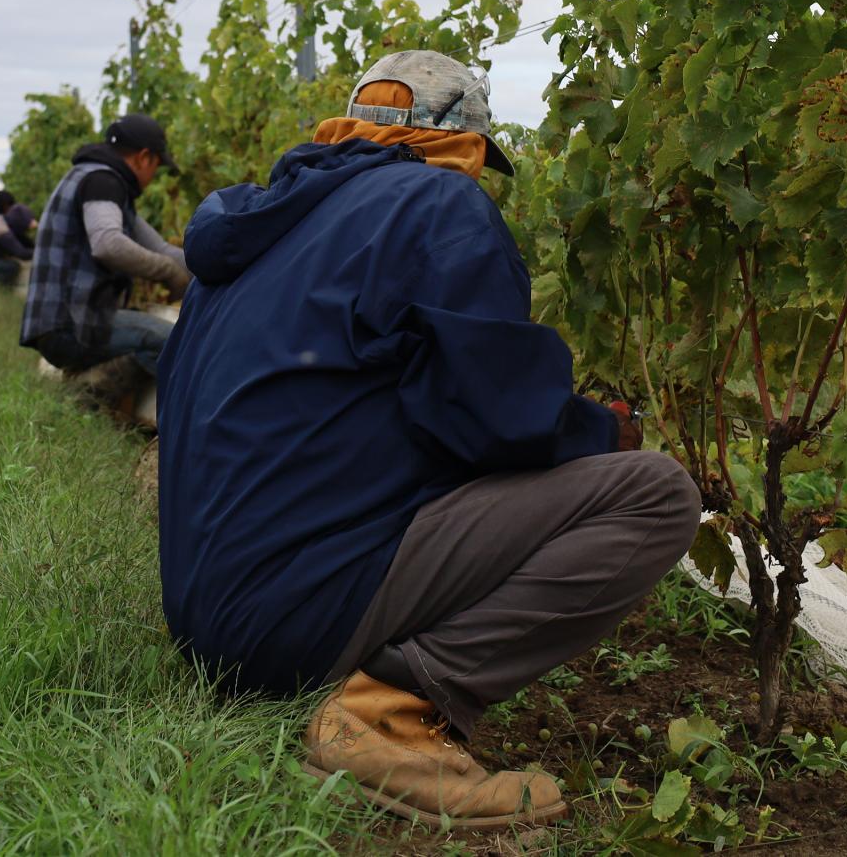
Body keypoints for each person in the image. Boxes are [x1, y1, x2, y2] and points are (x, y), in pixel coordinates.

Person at [155, 50, 699, 831]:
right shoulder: (440, 205)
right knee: (654, 493)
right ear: (464, 145)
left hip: (207, 626)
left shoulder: (251, 228)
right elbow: (496, 426)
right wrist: (599, 429)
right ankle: (389, 714)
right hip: (289, 625)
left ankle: (354, 673)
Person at [20, 113, 189, 381]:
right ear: (143, 157)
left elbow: (160, 248)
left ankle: (94, 392)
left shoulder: (93, 180)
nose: (154, 175)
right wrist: (168, 272)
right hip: (72, 327)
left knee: (154, 339)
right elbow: (108, 245)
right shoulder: (103, 183)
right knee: (175, 342)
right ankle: (196, 418)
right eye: (156, 165)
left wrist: (204, 271)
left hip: (62, 324)